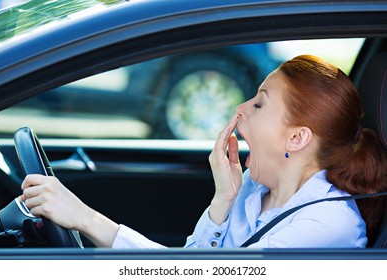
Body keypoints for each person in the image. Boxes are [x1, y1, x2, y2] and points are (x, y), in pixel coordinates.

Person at [21, 55, 387, 248]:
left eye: (259, 104)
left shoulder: (324, 226)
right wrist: (223, 200)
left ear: (296, 139)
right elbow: (195, 260)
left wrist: (85, 218)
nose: (239, 109)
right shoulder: (255, 190)